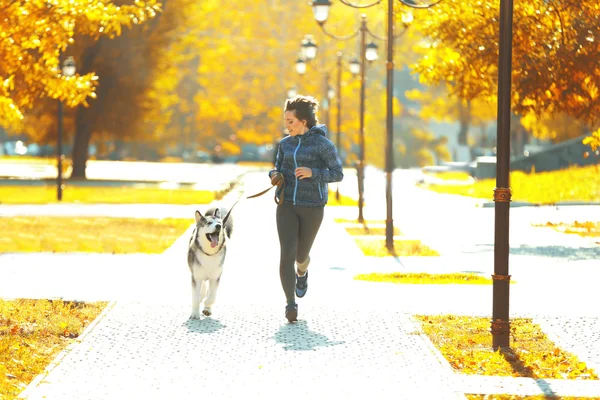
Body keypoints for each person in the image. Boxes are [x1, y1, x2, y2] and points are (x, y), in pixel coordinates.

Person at [268, 95, 344, 323]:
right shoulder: (285, 144)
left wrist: (314, 174)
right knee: (286, 255)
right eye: (286, 121)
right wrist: (275, 175)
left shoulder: (323, 145)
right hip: (286, 204)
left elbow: (338, 173)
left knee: (301, 256)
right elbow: (277, 167)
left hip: (312, 206)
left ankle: (302, 271)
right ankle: (290, 303)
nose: (287, 125)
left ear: (303, 120)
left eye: (290, 121)